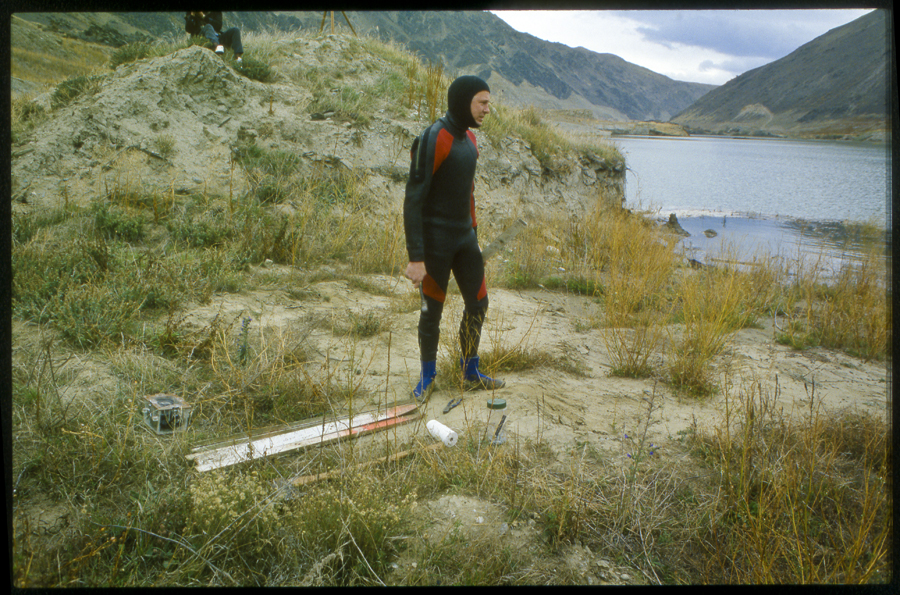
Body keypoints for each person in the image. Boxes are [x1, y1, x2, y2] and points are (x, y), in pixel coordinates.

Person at [403, 75, 505, 403]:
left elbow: (468, 194)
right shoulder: (435, 137)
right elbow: (413, 199)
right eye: (482, 102)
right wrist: (416, 257)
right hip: (435, 244)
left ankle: (469, 370)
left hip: (464, 240)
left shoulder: (470, 141)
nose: (488, 109)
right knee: (432, 310)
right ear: (464, 102)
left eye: (488, 102)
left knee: (479, 302)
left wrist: (473, 236)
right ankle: (428, 375)